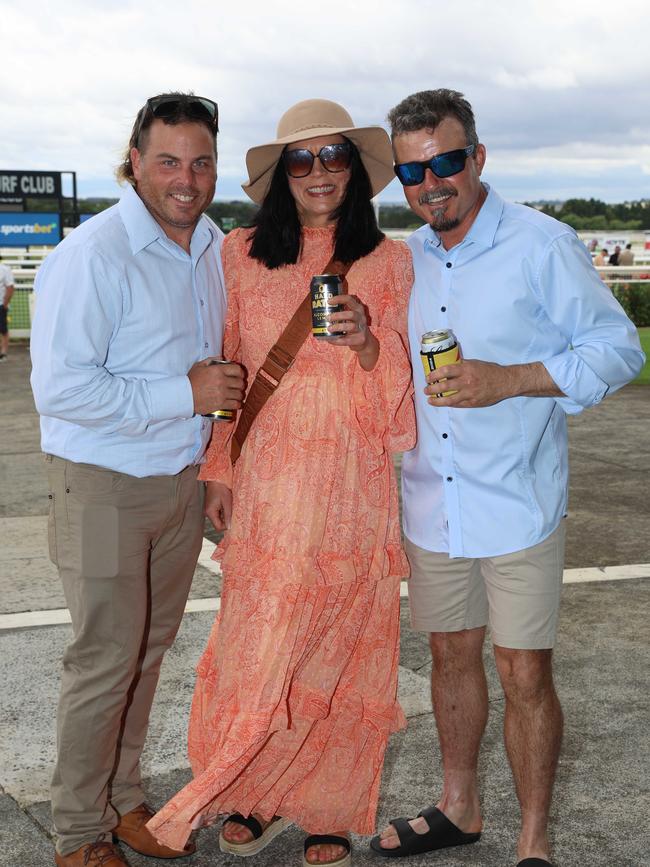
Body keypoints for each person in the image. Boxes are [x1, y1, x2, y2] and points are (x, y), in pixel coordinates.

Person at [370, 89, 645, 867]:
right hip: (432, 498)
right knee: (451, 657)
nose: (433, 182)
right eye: (414, 169)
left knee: (523, 669)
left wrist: (511, 377)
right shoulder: (404, 258)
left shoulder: (541, 243)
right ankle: (460, 805)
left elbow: (617, 350)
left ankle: (534, 839)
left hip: (518, 497)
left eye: (448, 161)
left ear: (478, 158)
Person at [147, 98, 415, 867]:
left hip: (353, 488)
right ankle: (250, 792)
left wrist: (369, 346)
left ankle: (326, 805)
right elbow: (231, 372)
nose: (319, 172)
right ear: (281, 177)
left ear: (356, 172)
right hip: (267, 487)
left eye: (334, 157)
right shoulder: (239, 253)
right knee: (258, 648)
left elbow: (399, 411)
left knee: (337, 648)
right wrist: (218, 469)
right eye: (302, 160)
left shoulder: (389, 262)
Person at [30, 92, 245, 867]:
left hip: (178, 484)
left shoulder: (211, 245)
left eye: (200, 161)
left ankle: (121, 799)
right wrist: (182, 394)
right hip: (99, 488)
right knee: (102, 657)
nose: (186, 178)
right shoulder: (90, 255)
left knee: (147, 651)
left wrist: (209, 449)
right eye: (168, 160)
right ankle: (77, 830)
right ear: (134, 162)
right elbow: (60, 388)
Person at [0, 254, 15, 361]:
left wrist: (5, 304)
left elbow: (10, 287)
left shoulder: (4, 269)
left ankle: (3, 353)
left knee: (3, 329)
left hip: (0, 304)